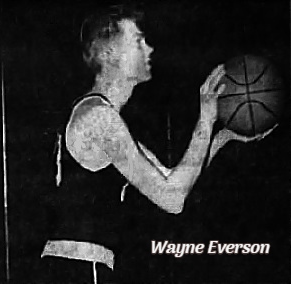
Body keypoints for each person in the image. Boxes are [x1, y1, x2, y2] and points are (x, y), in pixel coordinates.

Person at [39, 5, 275, 284]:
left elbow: (175, 182)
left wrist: (221, 136)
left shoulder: (107, 122)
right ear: (110, 54)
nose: (149, 49)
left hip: (81, 266)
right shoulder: (98, 118)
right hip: (78, 267)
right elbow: (172, 199)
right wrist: (205, 120)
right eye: (138, 40)